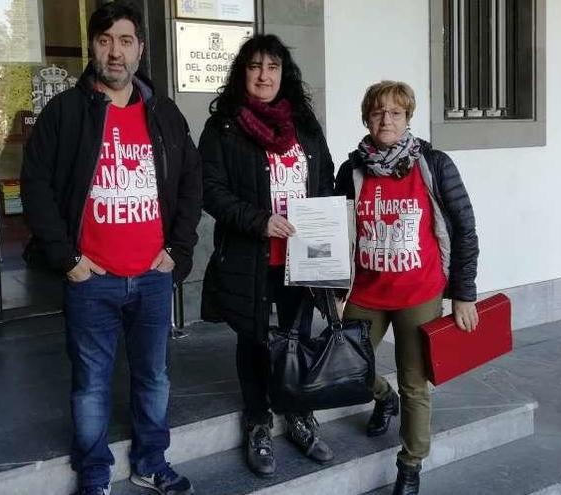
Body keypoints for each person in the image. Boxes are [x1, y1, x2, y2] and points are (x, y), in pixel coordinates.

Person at [20, 3, 202, 494]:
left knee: (154, 377)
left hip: (151, 275)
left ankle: (150, 461)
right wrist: (67, 259)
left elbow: (191, 184)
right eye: (105, 40)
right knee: (91, 383)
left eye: (125, 40)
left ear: (141, 49)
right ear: (93, 48)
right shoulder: (66, 112)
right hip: (90, 278)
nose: (115, 51)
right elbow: (34, 185)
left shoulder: (163, 113)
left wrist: (179, 254)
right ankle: (95, 475)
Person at [199, 34, 336, 477]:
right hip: (250, 257)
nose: (264, 75)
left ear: (284, 73)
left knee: (297, 336)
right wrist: (259, 220)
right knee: (254, 339)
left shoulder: (305, 126)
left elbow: (326, 177)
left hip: (304, 257)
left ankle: (297, 414)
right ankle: (258, 421)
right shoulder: (223, 127)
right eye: (255, 66)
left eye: (272, 67)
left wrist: (328, 223)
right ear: (243, 72)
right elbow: (210, 190)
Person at [335, 80, 479, 495]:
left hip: (421, 291)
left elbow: (464, 228)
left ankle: (410, 464)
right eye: (379, 112)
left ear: (407, 118)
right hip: (367, 290)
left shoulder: (433, 163)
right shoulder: (352, 170)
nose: (387, 120)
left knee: (415, 382)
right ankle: (383, 397)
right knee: (349, 369)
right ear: (367, 118)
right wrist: (336, 285)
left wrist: (464, 293)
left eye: (396, 113)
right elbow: (338, 229)